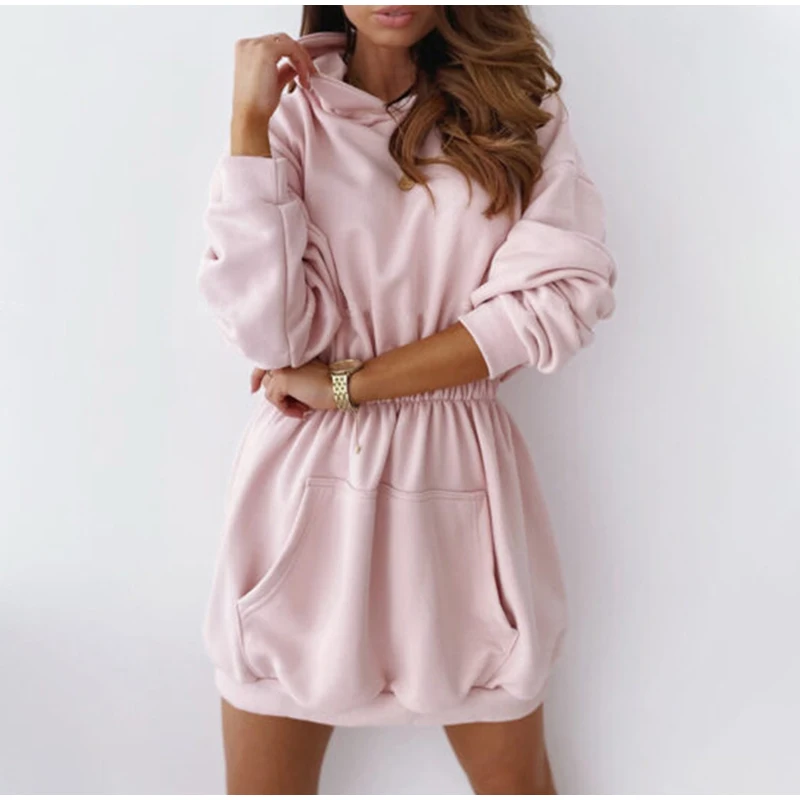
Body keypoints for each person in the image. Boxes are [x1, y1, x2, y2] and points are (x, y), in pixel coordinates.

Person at [197, 5, 617, 794]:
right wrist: (247, 128)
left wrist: (349, 384)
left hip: (460, 488)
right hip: (304, 490)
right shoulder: (291, 116)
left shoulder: (516, 108)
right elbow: (269, 334)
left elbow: (554, 301)